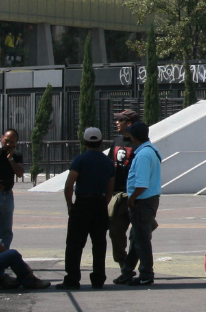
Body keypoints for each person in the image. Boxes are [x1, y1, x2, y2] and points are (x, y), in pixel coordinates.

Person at [58, 127, 115, 290]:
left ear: (84, 142)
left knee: (75, 244)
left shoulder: (80, 160)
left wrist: (70, 205)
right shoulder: (108, 162)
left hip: (82, 204)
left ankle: (72, 278)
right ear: (101, 142)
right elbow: (110, 187)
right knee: (99, 243)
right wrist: (104, 203)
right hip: (100, 204)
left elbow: (69, 185)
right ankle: (98, 278)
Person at [115, 121, 161, 286]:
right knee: (136, 237)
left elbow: (141, 184)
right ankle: (127, 271)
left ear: (134, 137)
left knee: (141, 240)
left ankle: (146, 274)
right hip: (149, 200)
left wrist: (132, 199)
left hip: (142, 201)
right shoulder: (150, 150)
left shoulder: (142, 155)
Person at [108, 109, 139, 264]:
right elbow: (109, 167)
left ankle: (135, 264)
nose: (117, 123)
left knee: (139, 234)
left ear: (129, 124)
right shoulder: (116, 141)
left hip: (135, 196)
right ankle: (123, 263)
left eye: (120, 121)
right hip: (117, 196)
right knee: (116, 232)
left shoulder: (139, 144)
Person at [0, 129, 23, 249]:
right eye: (6, 141)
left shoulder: (16, 155)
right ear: (2, 138)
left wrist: (10, 159)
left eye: (12, 142)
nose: (8, 144)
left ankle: (2, 257)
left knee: (6, 231)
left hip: (7, 196)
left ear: (16, 143)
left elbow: (19, 173)